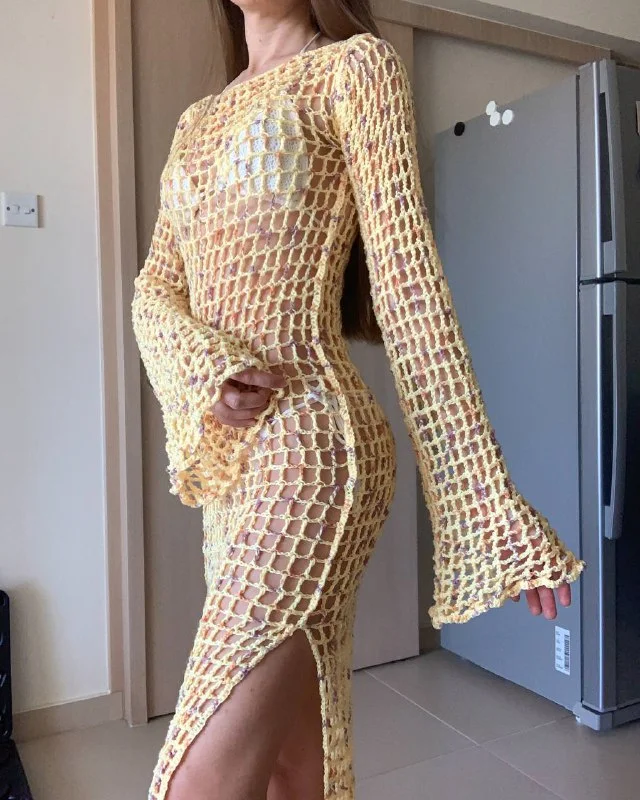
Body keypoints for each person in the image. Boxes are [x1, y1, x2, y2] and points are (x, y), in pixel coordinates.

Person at [131, 1, 585, 798]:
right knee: (287, 764)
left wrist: (485, 502)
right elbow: (152, 292)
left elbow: (410, 289)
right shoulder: (195, 122)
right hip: (236, 477)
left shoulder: (355, 67)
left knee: (196, 782)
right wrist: (206, 368)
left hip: (312, 449)